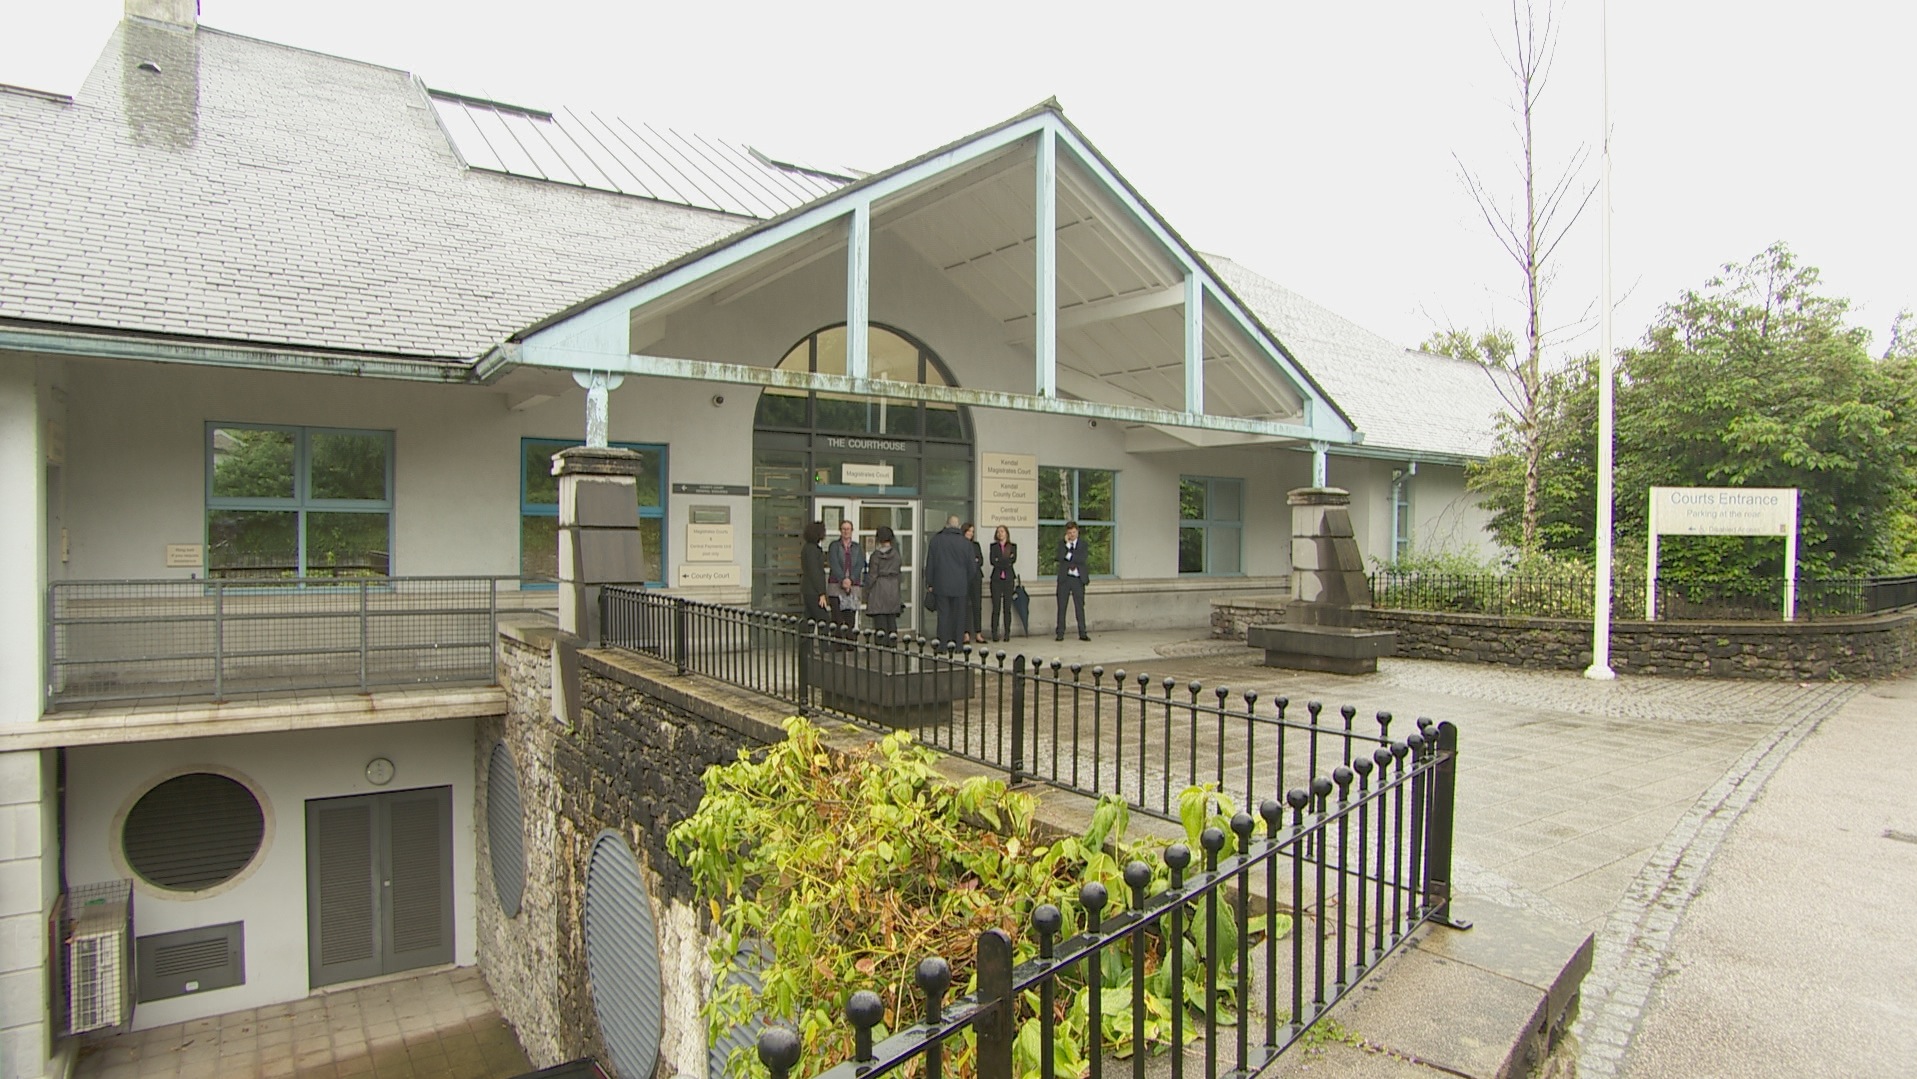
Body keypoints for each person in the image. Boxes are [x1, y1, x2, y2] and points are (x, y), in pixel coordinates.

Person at [923, 514, 973, 648]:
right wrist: (965, 580)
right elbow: (972, 567)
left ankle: (943, 644)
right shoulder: (966, 543)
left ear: (946, 525)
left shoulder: (936, 540)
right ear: (958, 526)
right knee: (959, 616)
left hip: (941, 585)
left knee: (943, 615)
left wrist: (930, 583)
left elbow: (930, 564)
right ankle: (958, 645)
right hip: (960, 585)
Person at [826, 518, 866, 637]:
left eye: (848, 529)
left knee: (850, 618)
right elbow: (833, 563)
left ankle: (850, 642)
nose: (846, 531)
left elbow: (860, 564)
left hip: (853, 586)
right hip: (836, 586)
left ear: (852, 531)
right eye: (843, 529)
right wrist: (843, 579)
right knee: (837, 617)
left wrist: (850, 580)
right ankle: (837, 643)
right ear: (840, 530)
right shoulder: (834, 546)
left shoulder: (857, 547)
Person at [862, 525, 903, 637]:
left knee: (880, 623)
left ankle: (882, 645)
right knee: (891, 621)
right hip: (893, 589)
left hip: (878, 589)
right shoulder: (896, 555)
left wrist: (866, 590)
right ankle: (892, 643)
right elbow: (899, 573)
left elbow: (872, 576)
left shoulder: (875, 556)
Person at [1054, 520, 1090, 642]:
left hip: (1078, 578)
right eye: (1069, 533)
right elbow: (1059, 557)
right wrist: (1066, 545)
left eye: (1074, 532)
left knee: (1079, 606)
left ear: (1077, 532)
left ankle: (1082, 632)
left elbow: (1081, 559)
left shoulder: (1083, 544)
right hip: (1065, 578)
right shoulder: (1062, 544)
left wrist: (1069, 552)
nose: (1072, 535)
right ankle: (1060, 632)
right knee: (1062, 606)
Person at [988, 524, 1019, 641]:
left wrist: (1000, 560)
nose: (1000, 533)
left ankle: (1007, 633)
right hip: (996, 579)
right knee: (996, 607)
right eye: (998, 531)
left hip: (1008, 579)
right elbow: (993, 561)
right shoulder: (993, 547)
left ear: (1006, 533)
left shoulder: (1012, 546)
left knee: (1007, 607)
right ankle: (994, 633)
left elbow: (1012, 560)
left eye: (1002, 531)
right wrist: (1005, 561)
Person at [798, 520, 830, 627]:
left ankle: (805, 637)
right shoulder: (812, 550)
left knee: (809, 618)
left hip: (809, 589)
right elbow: (815, 572)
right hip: (813, 591)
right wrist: (821, 593)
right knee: (824, 619)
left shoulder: (808, 548)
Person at [963, 522, 984, 644]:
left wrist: (973, 561)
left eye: (972, 531)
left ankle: (978, 633)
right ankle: (965, 633)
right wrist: (973, 561)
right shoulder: (961, 544)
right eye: (969, 531)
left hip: (976, 578)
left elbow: (980, 560)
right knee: (964, 606)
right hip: (964, 578)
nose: (971, 533)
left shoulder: (976, 545)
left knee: (977, 605)